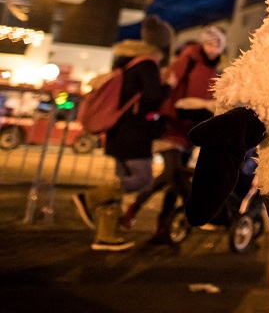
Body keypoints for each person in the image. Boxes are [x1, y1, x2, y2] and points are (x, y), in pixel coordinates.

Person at [73, 15, 170, 250]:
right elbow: (152, 98)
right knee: (143, 179)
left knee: (119, 183)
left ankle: (106, 236)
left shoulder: (125, 61)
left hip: (117, 130)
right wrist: (168, 86)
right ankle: (89, 198)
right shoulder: (147, 63)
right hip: (135, 132)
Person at [121, 25, 225, 242]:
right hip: (171, 125)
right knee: (171, 174)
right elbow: (167, 87)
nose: (213, 48)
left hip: (191, 129)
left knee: (176, 181)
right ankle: (133, 208)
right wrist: (168, 111)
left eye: (217, 45)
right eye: (210, 43)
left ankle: (163, 227)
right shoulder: (188, 59)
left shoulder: (214, 70)